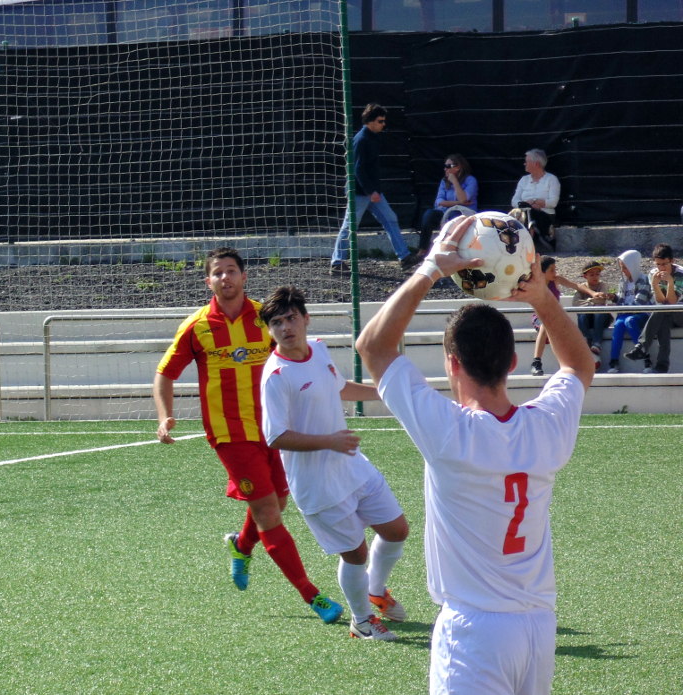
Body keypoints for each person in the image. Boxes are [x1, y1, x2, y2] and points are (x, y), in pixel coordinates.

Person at [355, 215, 594, 695]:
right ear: (513, 362)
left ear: (452, 363)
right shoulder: (546, 426)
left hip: (474, 631)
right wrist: (542, 297)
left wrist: (430, 269)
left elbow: (373, 347)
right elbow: (580, 365)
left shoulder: (451, 433)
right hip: (538, 626)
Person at [153, 247, 343, 623]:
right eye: (218, 273)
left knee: (275, 504)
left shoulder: (265, 317)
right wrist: (164, 416)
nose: (225, 277)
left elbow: (294, 355)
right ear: (208, 281)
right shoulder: (196, 327)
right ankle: (313, 596)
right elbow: (165, 373)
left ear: (243, 276)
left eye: (231, 271)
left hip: (275, 429)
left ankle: (241, 545)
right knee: (269, 512)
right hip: (230, 434)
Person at [259, 285, 409, 641]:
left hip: (352, 467)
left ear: (306, 318)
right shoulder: (275, 376)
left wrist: (385, 393)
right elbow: (275, 436)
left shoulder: (319, 348)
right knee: (355, 553)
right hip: (318, 485)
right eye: (276, 323)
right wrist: (329, 441)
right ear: (269, 330)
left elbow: (338, 387)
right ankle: (362, 621)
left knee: (396, 530)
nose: (285, 327)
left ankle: (375, 590)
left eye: (291, 318)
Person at [330, 103, 417, 276]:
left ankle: (404, 257)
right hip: (360, 192)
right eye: (380, 121)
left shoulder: (372, 137)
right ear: (370, 121)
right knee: (350, 226)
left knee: (391, 219)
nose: (383, 124)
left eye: (383, 121)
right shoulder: (362, 140)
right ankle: (337, 262)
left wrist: (374, 191)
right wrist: (371, 191)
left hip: (372, 192)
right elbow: (358, 169)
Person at [530, 256, 596, 376]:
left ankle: (575, 363)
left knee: (570, 329)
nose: (555, 273)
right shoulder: (537, 285)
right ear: (542, 272)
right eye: (552, 270)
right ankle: (536, 362)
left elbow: (577, 286)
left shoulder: (556, 280)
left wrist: (593, 293)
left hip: (556, 317)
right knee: (546, 325)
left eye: (555, 269)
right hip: (540, 317)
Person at [624, 242, 683, 373]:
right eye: (658, 264)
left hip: (680, 312)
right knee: (663, 319)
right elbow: (660, 301)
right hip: (666, 313)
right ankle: (662, 366)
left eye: (664, 264)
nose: (661, 268)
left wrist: (670, 282)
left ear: (672, 261)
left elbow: (672, 302)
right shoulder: (653, 273)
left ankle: (641, 347)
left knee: (663, 310)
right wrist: (655, 285)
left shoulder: (680, 274)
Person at [415, 153, 478, 257]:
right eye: (445, 166)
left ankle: (450, 250)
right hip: (445, 212)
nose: (445, 169)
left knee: (454, 214)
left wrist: (455, 181)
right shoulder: (444, 181)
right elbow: (439, 201)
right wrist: (458, 203)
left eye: (448, 166)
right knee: (429, 214)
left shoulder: (470, 180)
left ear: (458, 167)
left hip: (464, 213)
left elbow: (464, 198)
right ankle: (423, 249)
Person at [606, 250, 653, 374]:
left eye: (625, 268)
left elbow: (639, 304)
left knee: (630, 321)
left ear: (633, 266)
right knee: (618, 325)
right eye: (621, 267)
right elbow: (621, 300)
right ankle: (614, 361)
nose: (623, 271)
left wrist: (621, 307)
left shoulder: (644, 280)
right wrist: (614, 298)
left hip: (641, 313)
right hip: (625, 312)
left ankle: (646, 358)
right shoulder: (623, 281)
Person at [510, 148, 560, 251]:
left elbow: (553, 202)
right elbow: (514, 201)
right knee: (522, 214)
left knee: (530, 215)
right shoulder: (524, 180)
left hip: (545, 214)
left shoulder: (551, 179)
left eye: (527, 161)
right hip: (524, 213)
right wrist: (530, 204)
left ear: (536, 164)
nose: (524, 164)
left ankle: (527, 247)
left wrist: (533, 202)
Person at [572, 260, 613, 361]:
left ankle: (597, 342)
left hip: (602, 318)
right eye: (592, 275)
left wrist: (587, 302)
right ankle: (587, 340)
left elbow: (601, 300)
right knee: (582, 314)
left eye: (597, 274)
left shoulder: (602, 285)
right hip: (588, 319)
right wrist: (591, 301)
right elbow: (576, 303)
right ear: (585, 276)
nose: (595, 277)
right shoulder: (581, 287)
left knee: (599, 312)